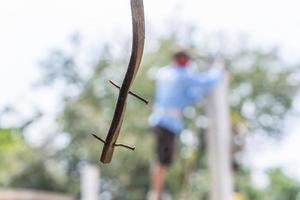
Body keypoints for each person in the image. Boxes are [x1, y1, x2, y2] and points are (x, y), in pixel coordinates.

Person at [147, 49, 224, 200]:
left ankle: (157, 192)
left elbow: (183, 97)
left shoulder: (164, 73)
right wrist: (218, 68)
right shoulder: (181, 75)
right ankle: (156, 194)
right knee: (163, 161)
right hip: (168, 122)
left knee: (162, 159)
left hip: (161, 120)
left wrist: (195, 95)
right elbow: (207, 81)